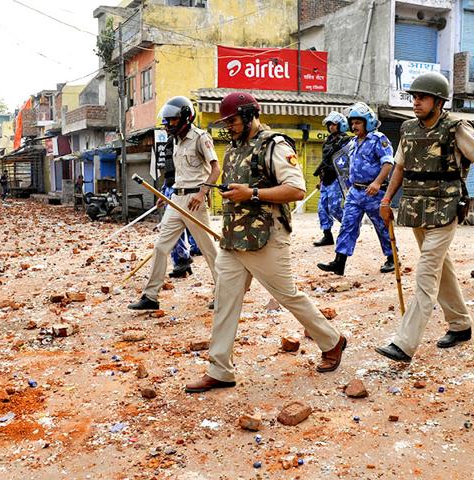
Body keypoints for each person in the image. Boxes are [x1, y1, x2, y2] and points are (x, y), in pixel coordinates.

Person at [184, 92, 346, 393]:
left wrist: (252, 194)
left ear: (248, 116)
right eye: (226, 122)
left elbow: (296, 189)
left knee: (287, 296)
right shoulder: (233, 149)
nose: (228, 127)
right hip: (234, 238)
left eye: (232, 120)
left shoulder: (275, 145)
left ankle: (332, 341)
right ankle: (220, 369)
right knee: (224, 300)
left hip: (266, 237)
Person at [375, 72, 473, 363]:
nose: (416, 102)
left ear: (439, 102)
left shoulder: (456, 128)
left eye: (422, 97)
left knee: (426, 273)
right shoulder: (407, 128)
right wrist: (385, 199)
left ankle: (404, 344)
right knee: (441, 267)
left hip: (445, 210)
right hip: (416, 209)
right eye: (414, 97)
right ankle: (461, 325)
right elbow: (400, 168)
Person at [128, 96, 220, 311]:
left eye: (172, 120)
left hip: (194, 201)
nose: (168, 124)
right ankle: (150, 297)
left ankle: (224, 294)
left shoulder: (200, 138)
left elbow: (216, 169)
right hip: (176, 199)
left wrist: (203, 192)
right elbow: (177, 174)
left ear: (186, 118)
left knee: (208, 251)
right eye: (167, 121)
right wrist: (165, 194)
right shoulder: (175, 141)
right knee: (161, 247)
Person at [317, 102, 396, 276]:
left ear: (367, 122)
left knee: (382, 226)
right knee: (347, 225)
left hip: (374, 192)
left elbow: (388, 163)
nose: (354, 126)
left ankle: (392, 258)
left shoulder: (378, 139)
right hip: (355, 192)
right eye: (352, 123)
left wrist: (376, 183)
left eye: (358, 123)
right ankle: (339, 262)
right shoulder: (353, 142)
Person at [312, 111, 351, 246]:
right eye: (329, 125)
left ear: (341, 125)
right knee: (322, 208)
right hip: (326, 178)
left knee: (334, 208)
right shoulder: (328, 141)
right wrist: (320, 180)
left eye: (334, 124)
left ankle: (350, 226)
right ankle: (327, 236)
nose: (331, 127)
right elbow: (325, 161)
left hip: (337, 179)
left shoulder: (347, 141)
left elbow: (346, 161)